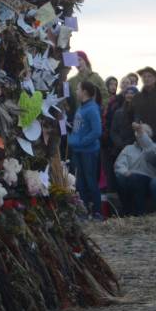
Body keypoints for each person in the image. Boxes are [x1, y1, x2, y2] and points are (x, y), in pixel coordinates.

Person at [68, 81, 103, 218]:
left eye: (78, 89)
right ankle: (83, 211)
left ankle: (97, 212)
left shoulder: (92, 109)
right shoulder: (81, 108)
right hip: (77, 150)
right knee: (80, 182)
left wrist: (82, 142)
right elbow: (80, 127)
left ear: (84, 92)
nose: (76, 91)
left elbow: (97, 131)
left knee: (90, 181)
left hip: (88, 151)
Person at [114, 122, 156, 216]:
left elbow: (149, 150)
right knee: (120, 179)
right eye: (138, 133)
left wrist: (141, 133)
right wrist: (125, 172)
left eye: (142, 133)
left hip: (147, 178)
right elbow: (119, 164)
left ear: (149, 136)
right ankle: (127, 211)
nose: (139, 135)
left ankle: (140, 212)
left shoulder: (153, 148)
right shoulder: (128, 148)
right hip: (129, 176)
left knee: (135, 179)